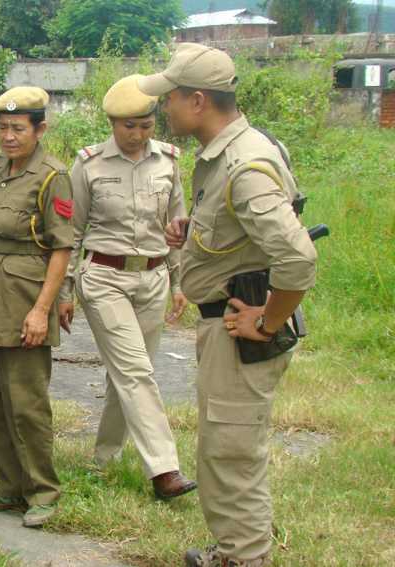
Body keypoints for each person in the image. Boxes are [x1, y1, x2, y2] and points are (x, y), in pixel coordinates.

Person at [137, 44, 317, 566]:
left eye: (169, 99)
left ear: (197, 101)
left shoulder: (244, 165)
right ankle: (235, 549)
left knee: (233, 454)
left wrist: (269, 318)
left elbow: (298, 258)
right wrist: (195, 231)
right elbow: (249, 233)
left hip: (242, 330)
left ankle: (244, 558)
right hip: (226, 326)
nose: (162, 109)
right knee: (222, 449)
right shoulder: (232, 150)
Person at [58, 74, 197, 500]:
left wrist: (179, 281)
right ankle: (164, 468)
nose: (137, 135)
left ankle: (104, 458)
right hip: (103, 279)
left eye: (146, 125)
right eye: (128, 126)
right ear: (112, 124)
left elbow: (177, 226)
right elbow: (72, 232)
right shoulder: (89, 164)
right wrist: (65, 291)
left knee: (130, 373)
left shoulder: (169, 161)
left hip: (153, 277)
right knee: (137, 371)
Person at [0, 87, 74, 528]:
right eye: (2, 128)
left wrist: (43, 308)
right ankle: (9, 486)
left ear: (40, 129)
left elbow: (61, 249)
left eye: (18, 128)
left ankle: (42, 490)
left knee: (27, 400)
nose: (8, 136)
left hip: (25, 293)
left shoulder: (53, 175)